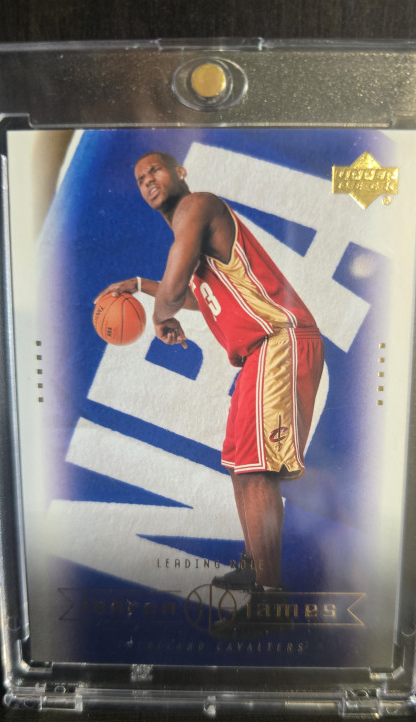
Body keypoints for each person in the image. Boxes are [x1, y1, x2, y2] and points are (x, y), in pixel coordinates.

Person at [97, 151, 324, 633]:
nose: (148, 180)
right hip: (260, 352)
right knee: (241, 466)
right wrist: (141, 286)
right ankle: (254, 566)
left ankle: (270, 603)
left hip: (279, 340)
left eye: (156, 170)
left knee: (257, 470)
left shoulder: (197, 206)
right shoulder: (191, 232)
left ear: (180, 172)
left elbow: (175, 290)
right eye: (140, 179)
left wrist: (161, 314)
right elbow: (202, 297)